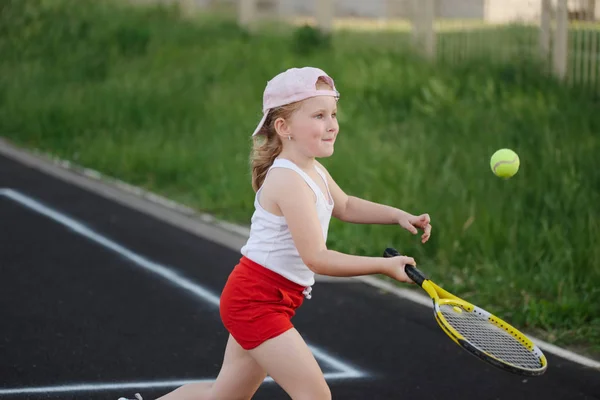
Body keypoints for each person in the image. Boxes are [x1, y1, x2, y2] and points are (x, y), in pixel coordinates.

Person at [119, 66, 431, 400]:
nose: (332, 125)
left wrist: (397, 215)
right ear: (284, 128)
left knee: (223, 398)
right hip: (256, 300)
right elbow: (317, 258)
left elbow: (347, 206)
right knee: (315, 395)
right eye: (319, 116)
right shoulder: (288, 180)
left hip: (265, 297)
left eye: (333, 114)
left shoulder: (313, 169)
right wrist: (382, 266)